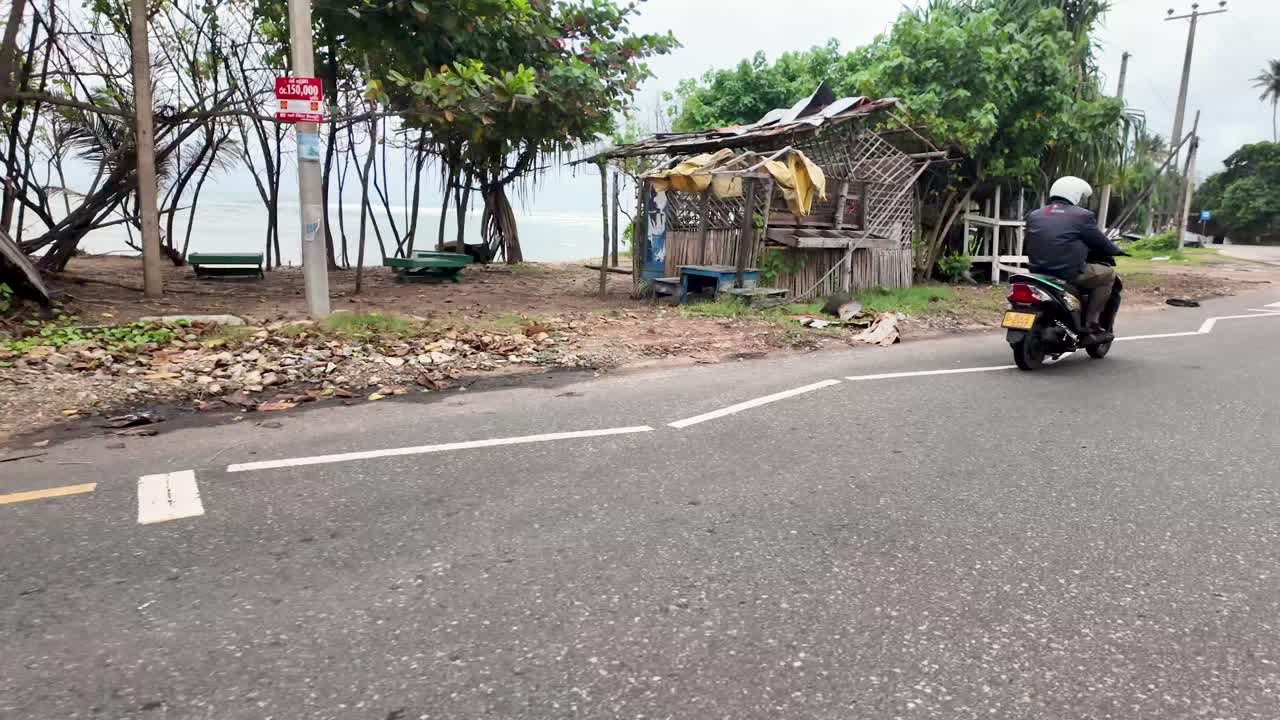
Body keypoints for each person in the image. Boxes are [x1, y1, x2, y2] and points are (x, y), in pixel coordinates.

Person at [1025, 176, 1125, 344]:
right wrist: (1117, 250)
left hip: (1037, 271)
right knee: (1108, 274)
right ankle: (1091, 323)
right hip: (1069, 272)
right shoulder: (1082, 216)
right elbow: (1099, 242)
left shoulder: (1035, 214)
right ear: (1076, 194)